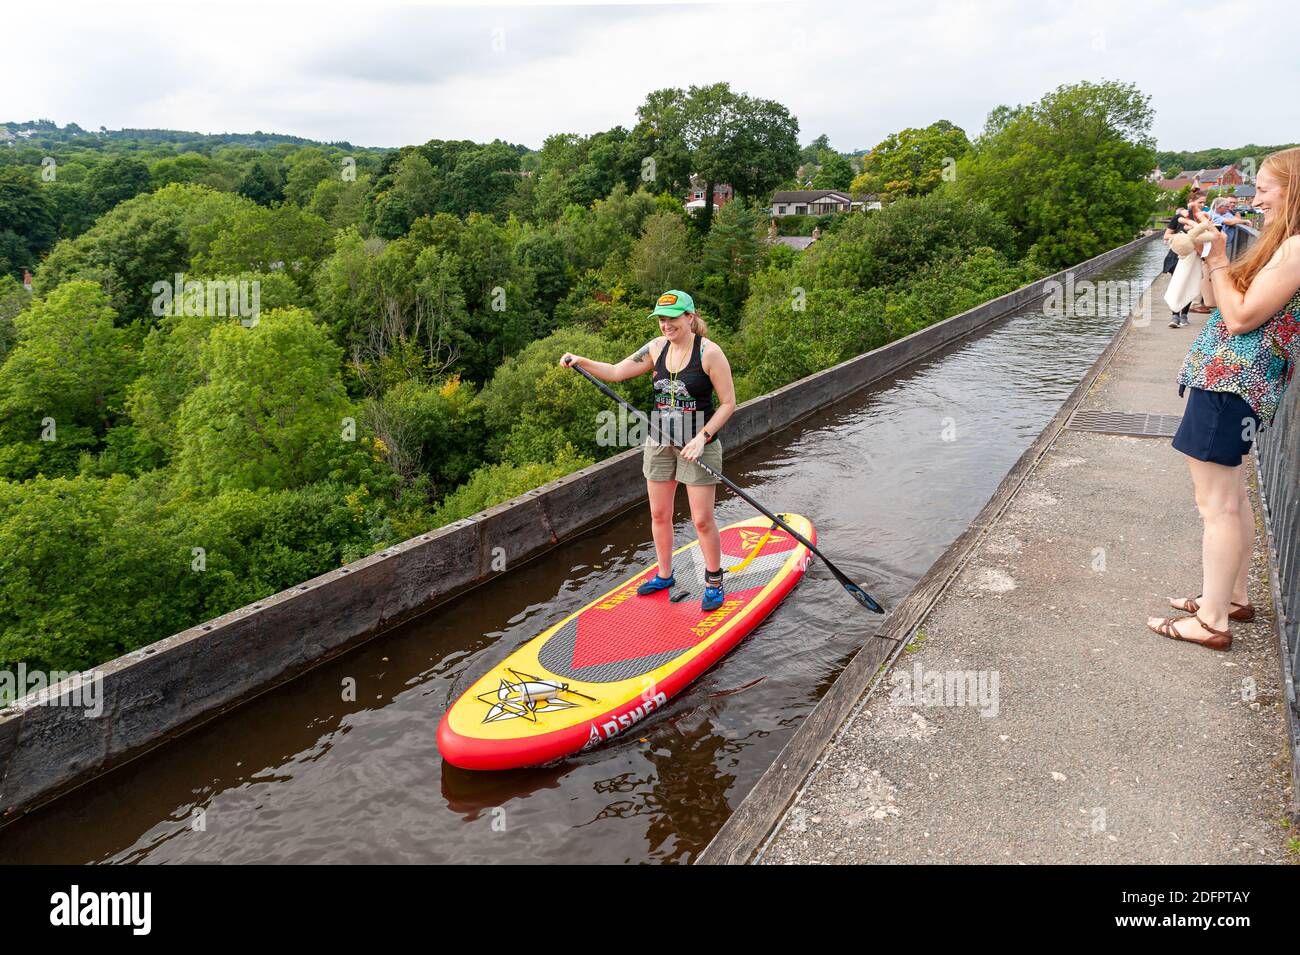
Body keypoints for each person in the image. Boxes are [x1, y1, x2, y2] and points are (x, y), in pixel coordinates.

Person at [1148, 147, 1300, 651]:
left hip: (1229, 382)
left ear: (1293, 189)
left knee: (1215, 505)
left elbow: (1238, 319)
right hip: (1232, 383)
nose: (1253, 198)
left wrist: (1215, 257)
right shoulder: (1284, 245)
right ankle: (1232, 597)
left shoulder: (1296, 248)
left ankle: (1212, 622)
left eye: (1263, 188)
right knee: (1231, 498)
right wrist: (1216, 260)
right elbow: (1224, 303)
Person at [560, 290, 738, 611]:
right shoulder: (656, 348)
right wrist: (581, 360)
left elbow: (728, 403)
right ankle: (665, 574)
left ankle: (713, 579)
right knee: (659, 514)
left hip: (699, 442)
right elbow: (615, 372)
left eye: (672, 318)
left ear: (690, 316)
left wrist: (703, 437)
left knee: (701, 520)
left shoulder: (710, 353)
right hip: (659, 439)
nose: (665, 325)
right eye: (661, 319)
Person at [1163, 205, 1193, 327]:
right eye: (1199, 202)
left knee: (1189, 285)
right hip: (1177, 255)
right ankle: (1175, 315)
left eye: (1203, 203)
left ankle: (1184, 314)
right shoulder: (1178, 217)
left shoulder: (1202, 218)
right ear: (1190, 202)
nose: (1202, 205)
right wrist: (1181, 236)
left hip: (1193, 256)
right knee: (1178, 284)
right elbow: (1166, 236)